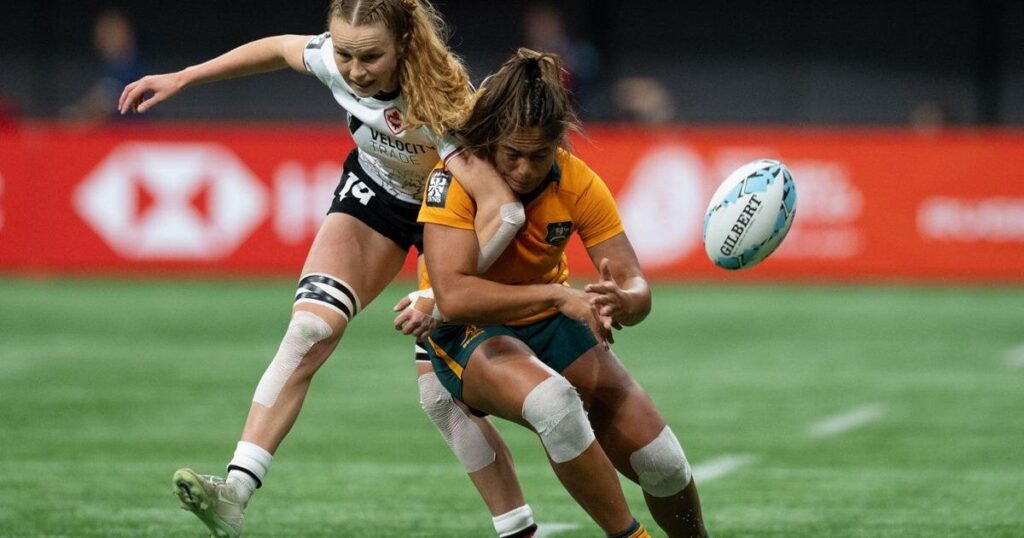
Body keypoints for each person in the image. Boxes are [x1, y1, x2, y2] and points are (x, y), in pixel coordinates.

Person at [118, 1, 532, 537]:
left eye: (371, 57)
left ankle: (520, 530)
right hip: (376, 194)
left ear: (405, 43)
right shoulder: (336, 60)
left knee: (440, 398)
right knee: (309, 329)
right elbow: (277, 48)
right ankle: (234, 493)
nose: (355, 70)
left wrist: (440, 295)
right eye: (345, 54)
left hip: (449, 216)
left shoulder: (440, 101)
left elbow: (504, 209)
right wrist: (185, 76)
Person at [417, 48, 710, 537]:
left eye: (539, 154)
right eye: (512, 153)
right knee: (554, 403)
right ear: (491, 138)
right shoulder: (453, 181)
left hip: (547, 321)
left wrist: (622, 301)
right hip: (465, 330)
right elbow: (453, 297)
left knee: (663, 463)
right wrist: (555, 296)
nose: (525, 168)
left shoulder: (575, 181)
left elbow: (635, 285)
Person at [64, 8, 144, 122]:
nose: (104, 38)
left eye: (111, 33)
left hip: (135, 132)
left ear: (126, 34)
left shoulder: (129, 65)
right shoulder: (106, 65)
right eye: (102, 33)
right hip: (114, 133)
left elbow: (105, 101)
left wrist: (75, 119)